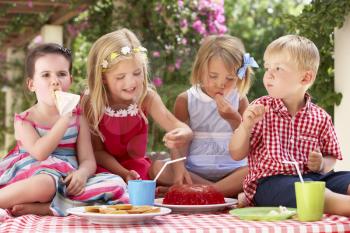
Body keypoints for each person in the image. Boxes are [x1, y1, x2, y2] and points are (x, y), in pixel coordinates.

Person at [0, 43, 128, 217]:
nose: (55, 81)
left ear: (70, 80)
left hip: (68, 178)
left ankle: (47, 208)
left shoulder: (78, 117)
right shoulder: (25, 120)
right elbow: (40, 153)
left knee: (116, 185)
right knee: (46, 184)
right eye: (46, 75)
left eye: (61, 74)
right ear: (31, 84)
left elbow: (88, 160)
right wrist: (64, 118)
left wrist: (82, 175)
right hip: (35, 175)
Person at [230, 34, 350, 216]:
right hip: (270, 183)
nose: (268, 74)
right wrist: (245, 127)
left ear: (305, 78)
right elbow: (236, 153)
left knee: (340, 179)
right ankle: (343, 205)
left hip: (314, 178)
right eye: (267, 66)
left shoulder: (321, 117)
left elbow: (331, 157)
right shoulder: (260, 109)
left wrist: (321, 164)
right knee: (310, 193)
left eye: (278, 68)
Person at [81, 29, 193, 186]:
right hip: (103, 168)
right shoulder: (91, 102)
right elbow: (97, 152)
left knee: (159, 171)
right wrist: (123, 173)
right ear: (103, 77)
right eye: (120, 77)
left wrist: (182, 134)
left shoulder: (146, 97)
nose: (131, 83)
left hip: (137, 169)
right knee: (109, 186)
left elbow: (178, 126)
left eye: (137, 73)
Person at [173, 35, 258, 197]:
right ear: (200, 71)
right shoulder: (185, 100)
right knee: (157, 167)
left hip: (233, 170)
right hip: (195, 170)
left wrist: (234, 118)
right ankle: (221, 192)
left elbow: (248, 144)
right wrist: (179, 169)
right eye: (213, 76)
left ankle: (205, 192)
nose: (221, 84)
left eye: (230, 78)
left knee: (255, 170)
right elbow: (179, 143)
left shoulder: (239, 100)